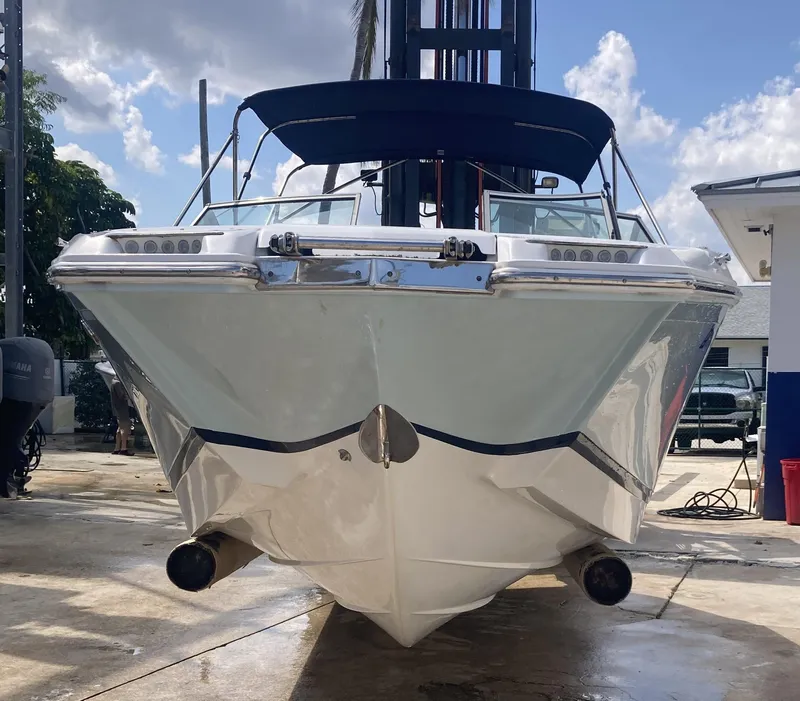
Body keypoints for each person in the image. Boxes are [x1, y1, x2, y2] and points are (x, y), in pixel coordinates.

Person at [109, 377, 133, 456]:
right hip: (121, 408)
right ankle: (123, 448)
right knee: (125, 427)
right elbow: (122, 396)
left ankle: (117, 448)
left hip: (117, 408)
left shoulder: (113, 381)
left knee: (119, 428)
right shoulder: (118, 383)